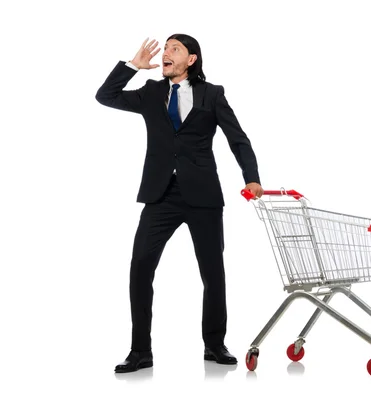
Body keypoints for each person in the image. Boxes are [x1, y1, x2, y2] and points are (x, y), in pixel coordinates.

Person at [95, 34, 264, 373]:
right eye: (166, 48)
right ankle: (140, 351)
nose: (166, 53)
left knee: (212, 273)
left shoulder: (212, 94)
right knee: (140, 267)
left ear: (191, 59)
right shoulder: (152, 92)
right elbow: (106, 96)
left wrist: (252, 176)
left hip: (203, 195)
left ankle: (214, 345)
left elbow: (238, 138)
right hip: (161, 195)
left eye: (175, 48)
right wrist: (132, 66)